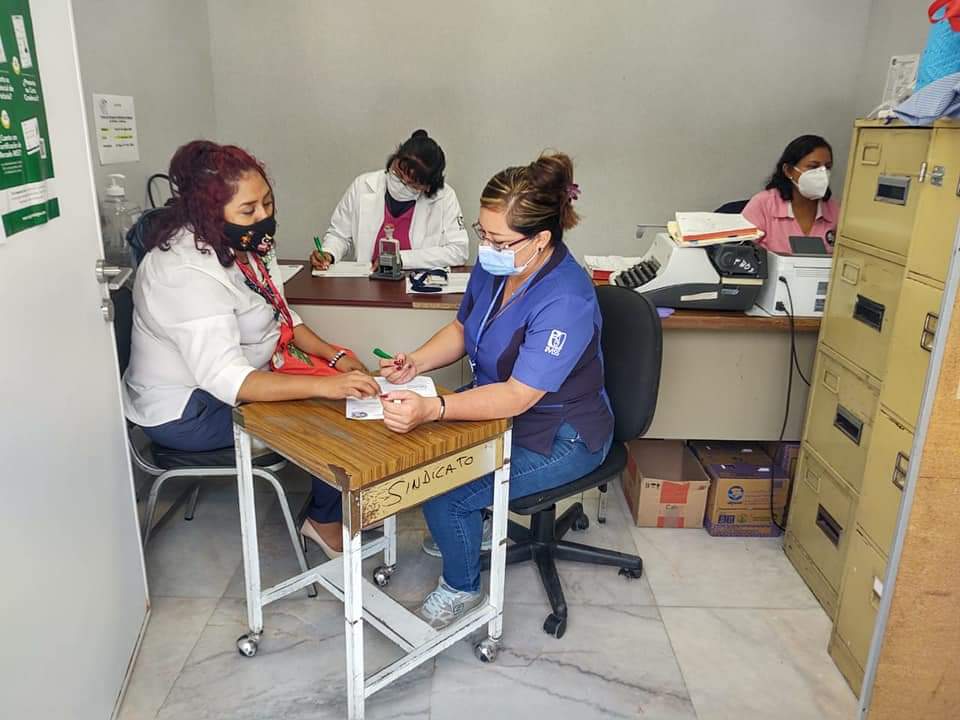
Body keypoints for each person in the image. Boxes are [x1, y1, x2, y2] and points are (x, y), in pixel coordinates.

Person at [377, 152, 614, 628]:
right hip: (503, 409)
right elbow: (462, 329)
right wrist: (417, 361)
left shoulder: (566, 298)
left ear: (541, 239)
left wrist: (434, 408)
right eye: (482, 233)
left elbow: (518, 396)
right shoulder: (498, 264)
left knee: (445, 491)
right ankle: (472, 524)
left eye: (498, 239)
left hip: (560, 434)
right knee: (422, 457)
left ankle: (461, 589)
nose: (486, 247)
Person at [123, 140, 379, 557]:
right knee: (331, 414)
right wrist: (327, 386)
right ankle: (324, 521)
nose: (263, 217)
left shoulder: (248, 244)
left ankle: (338, 504)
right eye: (248, 210)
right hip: (187, 409)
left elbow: (280, 312)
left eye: (267, 203)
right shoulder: (183, 272)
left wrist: (335, 357)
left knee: (348, 395)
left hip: (240, 378)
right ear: (208, 211)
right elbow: (230, 380)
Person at [309, 130, 468, 271]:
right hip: (368, 283)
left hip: (417, 285)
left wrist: (401, 259)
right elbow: (339, 234)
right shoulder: (363, 186)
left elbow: (458, 251)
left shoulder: (445, 198)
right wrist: (328, 253)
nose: (401, 184)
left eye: (411, 184)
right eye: (398, 174)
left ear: (427, 187)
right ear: (394, 159)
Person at [742, 134, 839, 254]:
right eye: (813, 167)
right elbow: (741, 251)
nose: (822, 174)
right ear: (788, 170)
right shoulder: (764, 204)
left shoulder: (835, 210)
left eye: (827, 167)